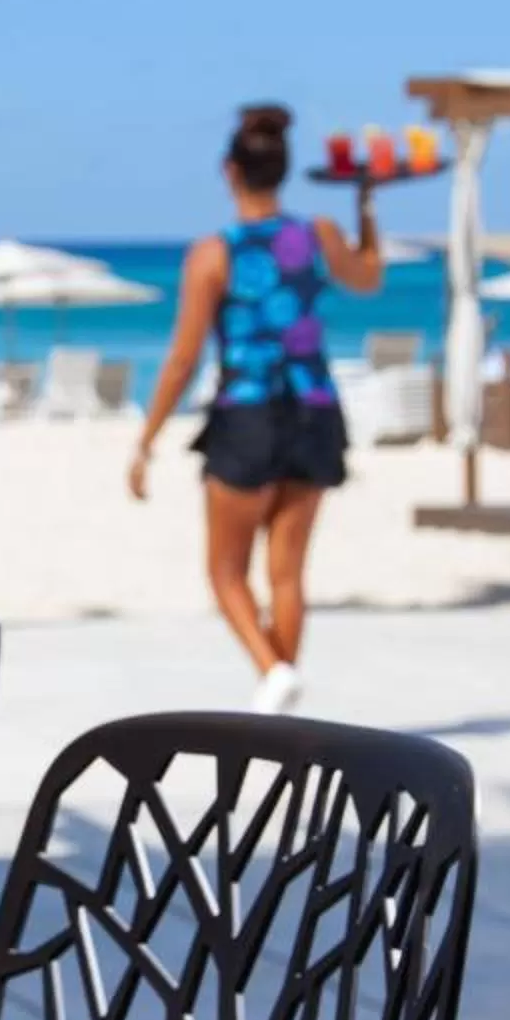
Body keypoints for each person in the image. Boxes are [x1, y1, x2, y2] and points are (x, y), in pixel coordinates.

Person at [128, 103, 384, 713]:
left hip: (248, 414)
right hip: (315, 409)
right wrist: (366, 206)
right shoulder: (319, 235)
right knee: (288, 573)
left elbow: (183, 359)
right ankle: (279, 701)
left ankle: (272, 671)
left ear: (230, 171)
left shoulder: (213, 254)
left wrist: (147, 439)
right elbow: (370, 276)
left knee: (225, 571)